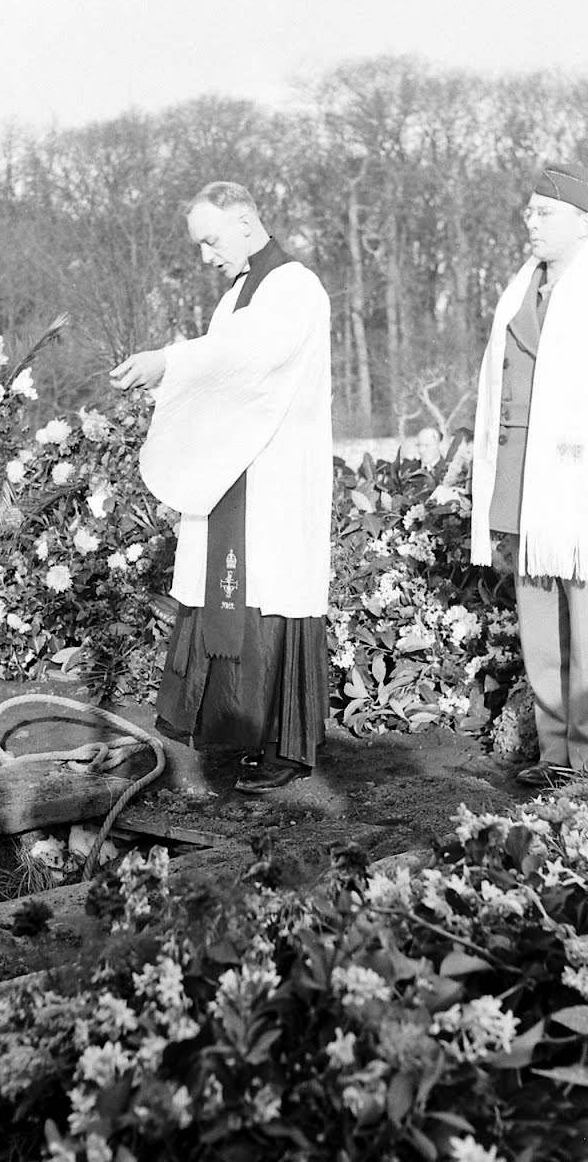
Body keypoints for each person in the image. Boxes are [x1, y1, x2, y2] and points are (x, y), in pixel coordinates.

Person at [110, 181, 332, 793]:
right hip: (239, 468)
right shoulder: (237, 293)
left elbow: (247, 356)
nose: (206, 256)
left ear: (244, 222)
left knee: (276, 591)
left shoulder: (292, 285)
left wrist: (169, 362)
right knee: (238, 587)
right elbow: (225, 368)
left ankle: (288, 746)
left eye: (210, 241)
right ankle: (241, 731)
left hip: (277, 474)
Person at [469, 162, 588, 786]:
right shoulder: (520, 291)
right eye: (529, 211)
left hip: (585, 492)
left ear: (585, 222)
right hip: (529, 493)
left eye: (543, 213)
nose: (529, 222)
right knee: (543, 630)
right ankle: (555, 754)